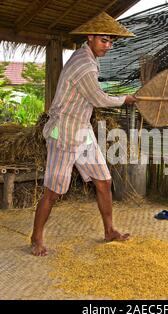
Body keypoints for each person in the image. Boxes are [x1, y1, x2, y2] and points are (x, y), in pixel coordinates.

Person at [31, 12, 137, 256]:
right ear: (90, 36)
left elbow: (92, 95)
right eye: (103, 40)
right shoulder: (83, 63)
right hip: (64, 131)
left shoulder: (90, 58)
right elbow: (98, 98)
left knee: (104, 180)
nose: (107, 46)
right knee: (54, 191)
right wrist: (126, 99)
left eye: (111, 41)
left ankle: (109, 230)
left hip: (82, 130)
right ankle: (36, 237)